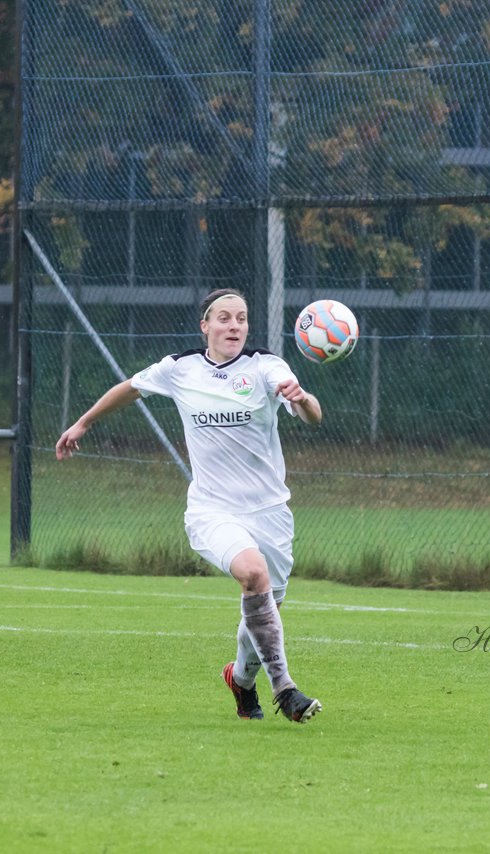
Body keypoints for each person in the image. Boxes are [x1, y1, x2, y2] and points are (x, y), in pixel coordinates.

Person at [55, 288, 324, 723]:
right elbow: (129, 388)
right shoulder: (180, 368)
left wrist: (302, 398)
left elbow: (312, 416)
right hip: (212, 511)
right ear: (205, 326)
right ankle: (286, 690)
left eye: (240, 318)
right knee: (253, 574)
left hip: (271, 512)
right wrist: (83, 422)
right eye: (223, 318)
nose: (233, 326)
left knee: (265, 605)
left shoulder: (266, 366)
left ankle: (241, 680)